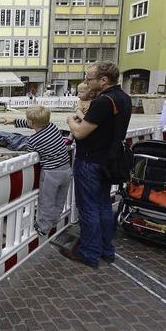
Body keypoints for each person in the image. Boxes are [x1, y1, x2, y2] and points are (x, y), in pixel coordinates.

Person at [65, 62, 132, 268]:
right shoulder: (124, 98)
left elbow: (79, 133)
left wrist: (70, 120)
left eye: (89, 79)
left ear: (103, 80)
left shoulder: (103, 101)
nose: (86, 82)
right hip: (109, 161)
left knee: (88, 208)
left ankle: (89, 252)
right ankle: (106, 249)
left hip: (90, 160)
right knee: (103, 205)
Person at [8, 106, 72, 236]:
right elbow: (34, 123)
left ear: (31, 122)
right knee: (59, 199)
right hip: (66, 169)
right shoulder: (53, 127)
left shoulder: (33, 140)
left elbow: (31, 153)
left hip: (51, 173)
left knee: (46, 201)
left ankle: (43, 228)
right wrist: (14, 121)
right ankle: (54, 220)